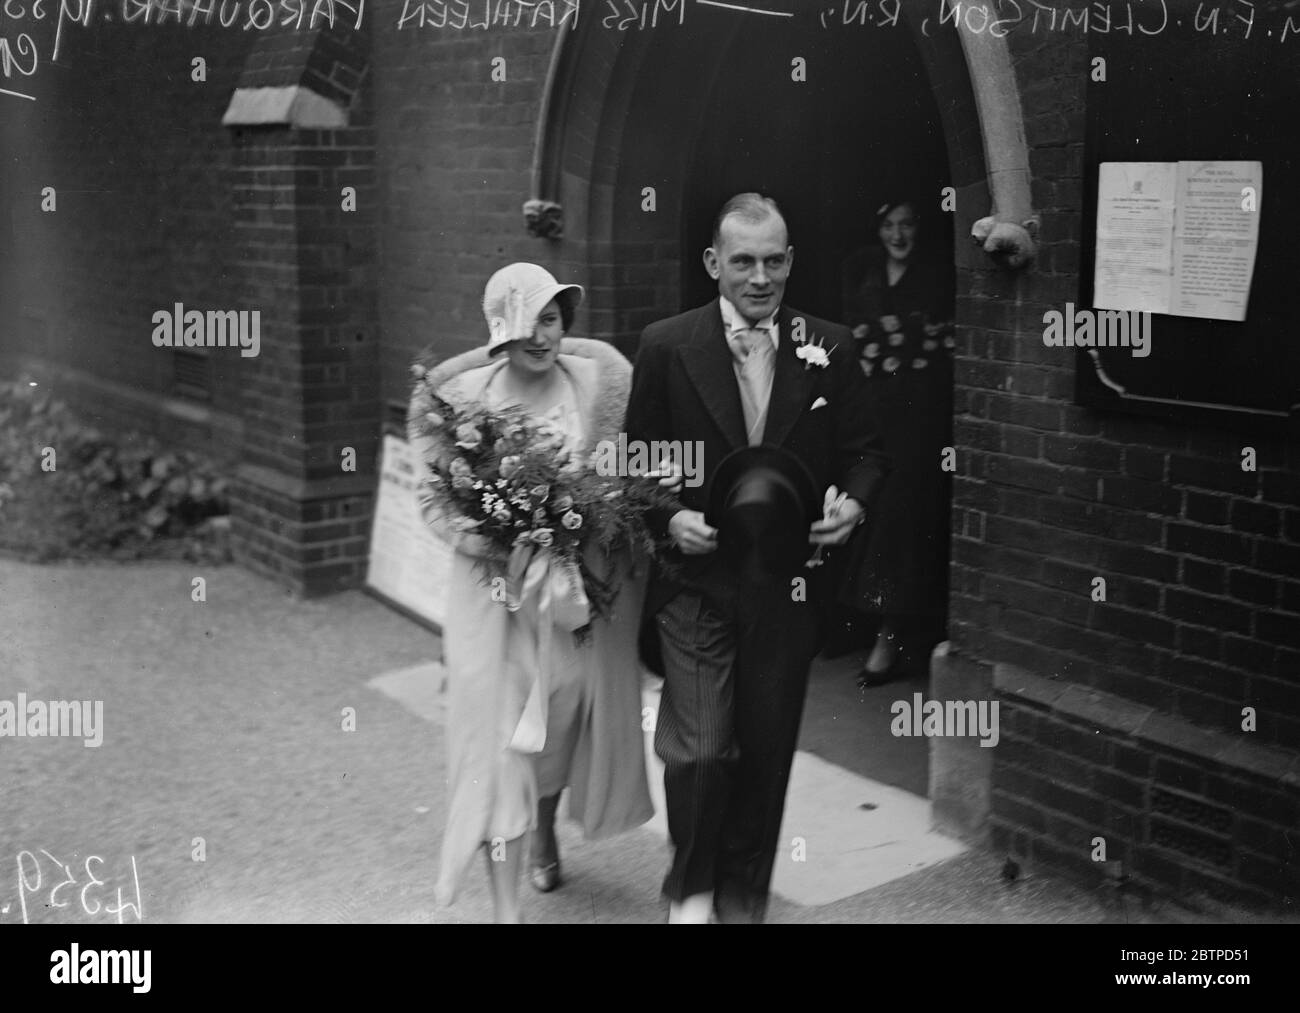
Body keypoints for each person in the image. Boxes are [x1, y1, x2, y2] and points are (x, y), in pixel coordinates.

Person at [624, 194, 889, 923]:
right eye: (743, 260)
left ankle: (743, 898)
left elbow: (868, 453)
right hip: (696, 582)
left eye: (774, 260)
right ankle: (693, 882)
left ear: (791, 261)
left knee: (766, 751)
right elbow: (638, 463)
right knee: (702, 749)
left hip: (788, 588)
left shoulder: (829, 346)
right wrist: (670, 515)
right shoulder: (666, 346)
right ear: (714, 262)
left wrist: (851, 507)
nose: (760, 276)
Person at [407, 263, 668, 922]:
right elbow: (434, 503)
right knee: (499, 747)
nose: (540, 334)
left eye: (551, 318)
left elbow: (621, 472)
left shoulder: (595, 387)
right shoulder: (464, 402)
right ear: (500, 331)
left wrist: (596, 507)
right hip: (493, 600)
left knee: (557, 723)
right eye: (526, 321)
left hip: (568, 598)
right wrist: (498, 532)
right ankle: (504, 909)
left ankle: (545, 827)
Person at [839, 199, 955, 686]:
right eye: (889, 225)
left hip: (916, 418)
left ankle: (890, 637)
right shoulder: (862, 270)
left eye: (907, 224)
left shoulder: (933, 276)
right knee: (857, 503)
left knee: (899, 518)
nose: (898, 234)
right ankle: (849, 627)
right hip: (869, 410)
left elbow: (940, 342)